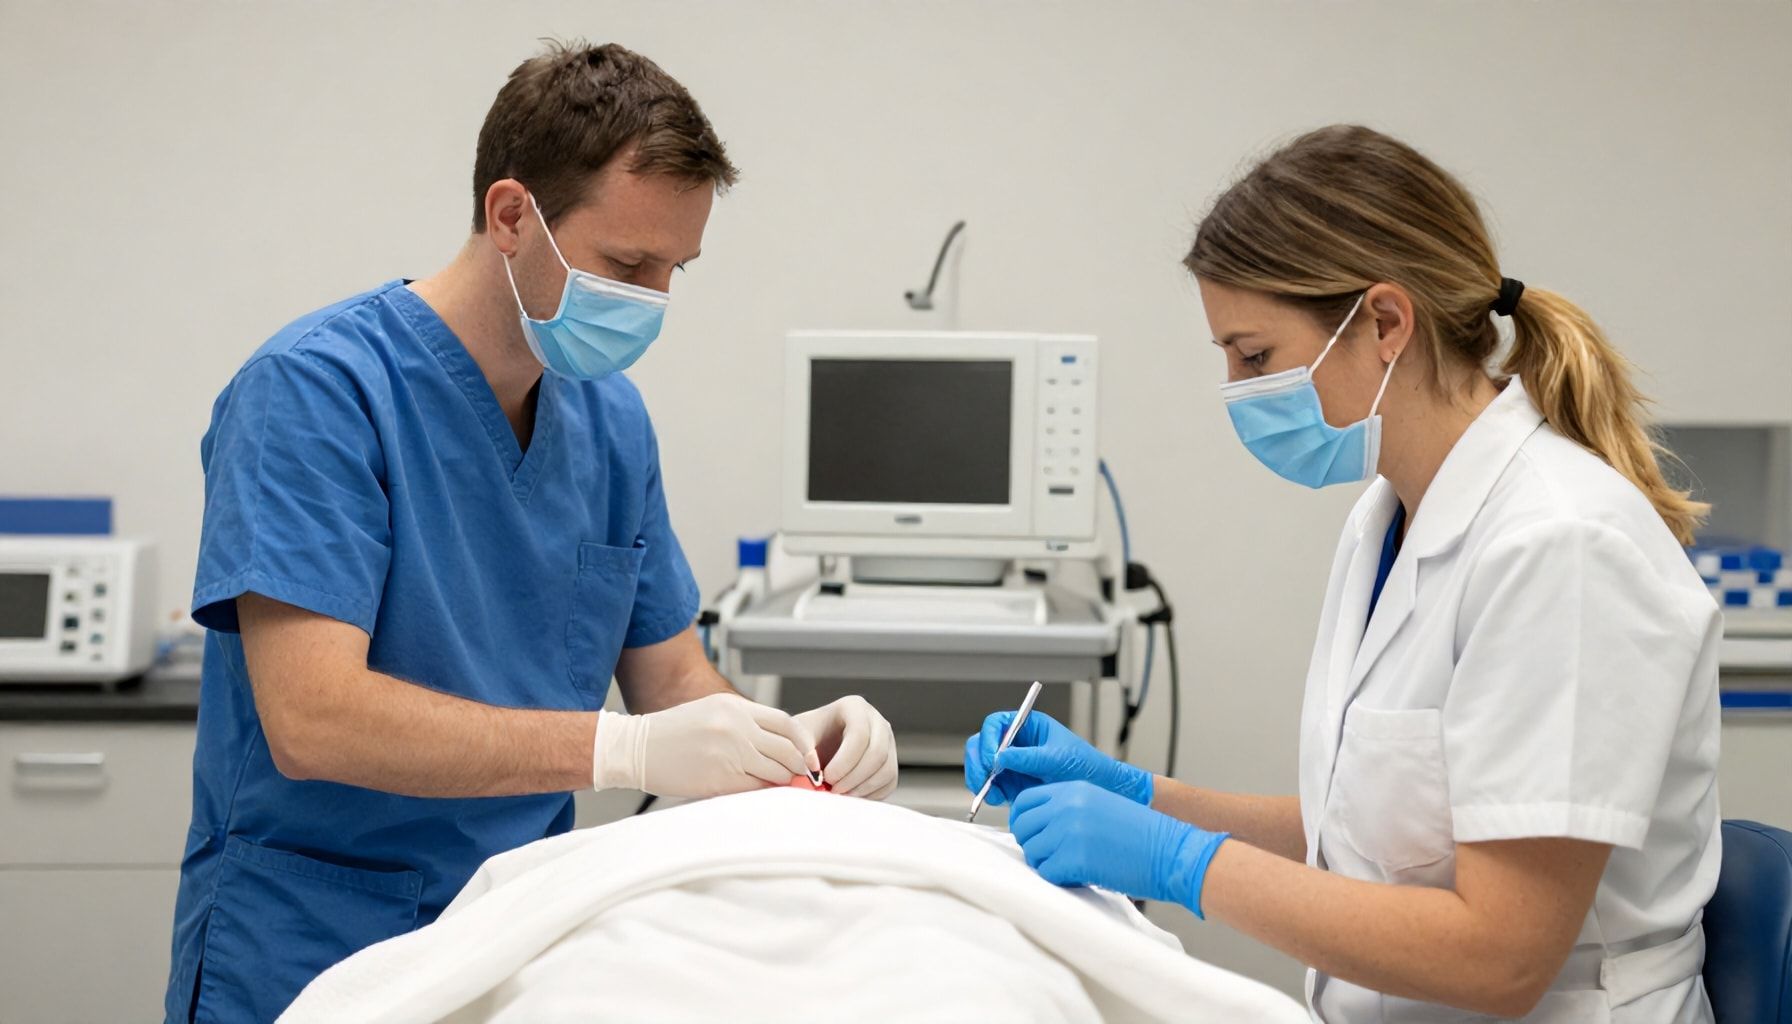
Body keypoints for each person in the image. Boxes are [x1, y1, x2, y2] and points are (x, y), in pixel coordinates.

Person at [166, 41, 897, 1023]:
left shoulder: (610, 420)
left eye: (675, 268)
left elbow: (669, 675)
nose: (653, 301)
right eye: (627, 264)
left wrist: (782, 746)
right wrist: (626, 754)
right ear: (511, 215)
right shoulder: (316, 392)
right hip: (314, 945)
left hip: (519, 932)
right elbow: (313, 718)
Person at [966, 125, 1720, 1022]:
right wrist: (1136, 795)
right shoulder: (1387, 519)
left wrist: (1179, 862)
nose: (1241, 393)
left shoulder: (1560, 545)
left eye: (1256, 357)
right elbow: (1371, 838)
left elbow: (1505, 954)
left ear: (1386, 323)